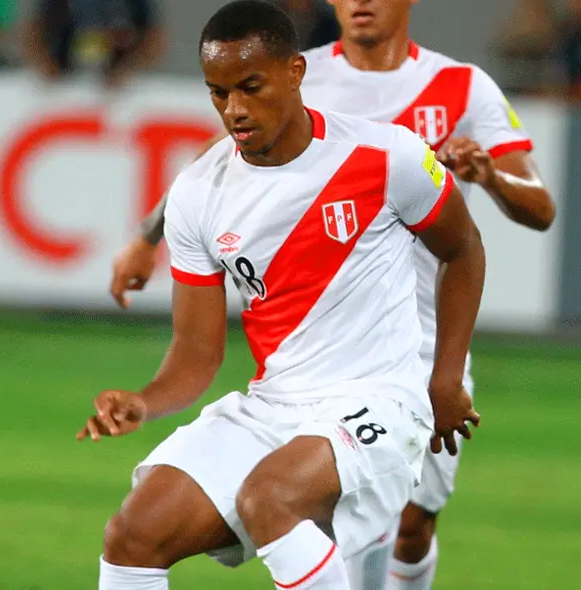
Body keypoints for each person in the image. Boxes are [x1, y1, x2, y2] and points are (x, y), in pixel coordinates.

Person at [110, 1, 556, 585]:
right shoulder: (293, 74)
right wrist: (149, 237)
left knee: (409, 524)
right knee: (190, 524)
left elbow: (530, 213)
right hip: (298, 375)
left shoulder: (457, 89)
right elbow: (218, 163)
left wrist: (490, 177)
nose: (360, 1)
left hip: (417, 345)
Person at [21, 0, 166, 87]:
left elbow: (156, 37)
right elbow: (32, 30)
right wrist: (44, 64)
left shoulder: (132, 4)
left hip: (116, 91)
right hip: (62, 84)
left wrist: (128, 69)